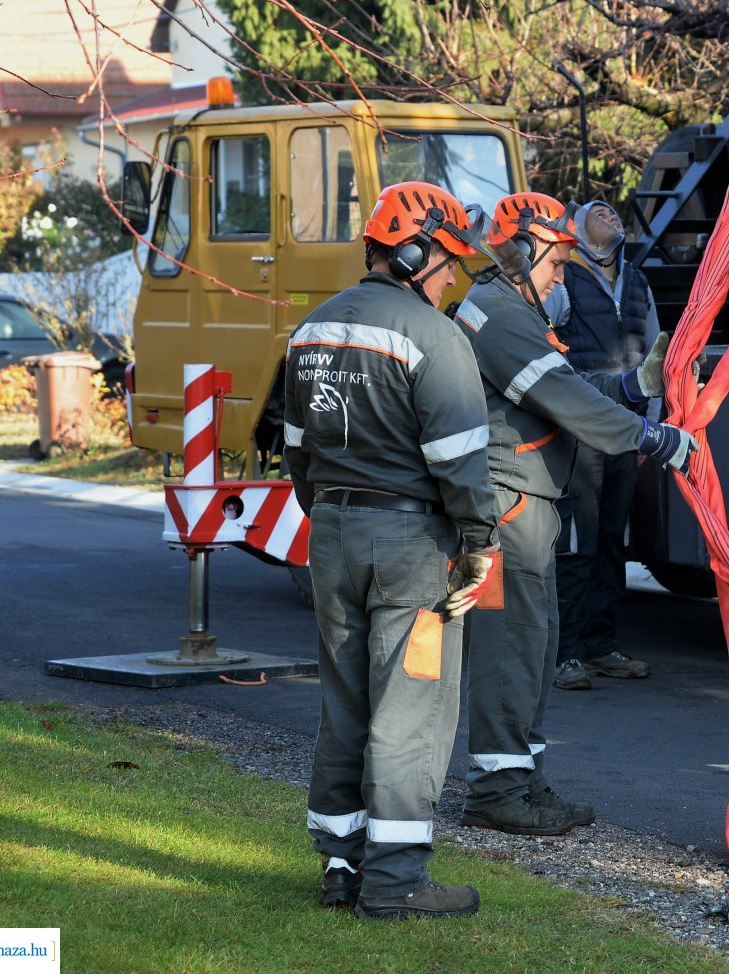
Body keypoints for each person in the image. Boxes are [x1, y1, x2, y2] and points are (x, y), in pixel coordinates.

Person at [283, 181, 499, 921]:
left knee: (344, 704)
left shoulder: (308, 331)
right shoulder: (434, 338)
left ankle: (340, 866)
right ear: (412, 253)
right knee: (413, 710)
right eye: (447, 264)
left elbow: (296, 454)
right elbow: (462, 463)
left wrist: (333, 517)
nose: (451, 279)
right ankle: (397, 881)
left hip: (334, 537)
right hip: (413, 548)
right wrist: (477, 544)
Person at [452, 191, 693, 834]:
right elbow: (557, 393)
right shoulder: (497, 314)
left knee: (536, 644)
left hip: (527, 504)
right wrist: (652, 436)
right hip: (506, 506)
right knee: (510, 649)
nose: (563, 277)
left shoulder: (514, 314)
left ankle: (523, 782)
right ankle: (496, 793)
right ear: (524, 250)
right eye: (557, 264)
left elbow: (569, 385)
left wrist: (634, 386)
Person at [546, 200, 660, 692]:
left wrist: (647, 429)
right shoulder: (562, 278)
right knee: (577, 542)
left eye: (614, 213)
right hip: (578, 431)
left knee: (612, 538)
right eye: (599, 212)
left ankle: (599, 645)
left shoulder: (636, 281)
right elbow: (542, 343)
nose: (611, 216)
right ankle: (564, 651)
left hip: (625, 429)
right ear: (577, 226)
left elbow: (655, 358)